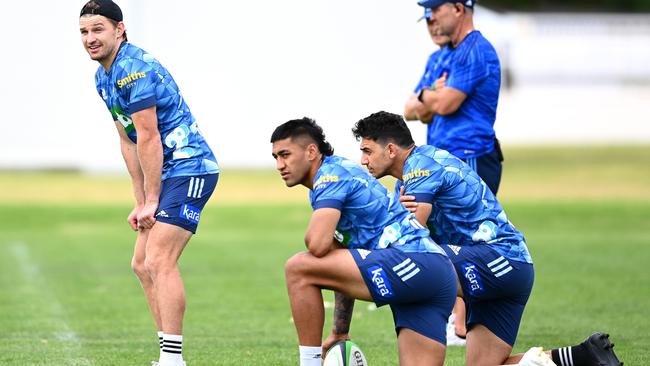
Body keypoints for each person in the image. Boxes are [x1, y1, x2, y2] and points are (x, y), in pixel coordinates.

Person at [351, 111, 623, 366]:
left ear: (390, 149)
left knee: (415, 269)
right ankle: (582, 356)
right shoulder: (408, 179)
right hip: (514, 267)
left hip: (498, 259)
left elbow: (410, 239)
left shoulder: (421, 167)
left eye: (367, 151)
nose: (363, 160)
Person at [79, 1, 220, 365]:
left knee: (159, 260)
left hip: (190, 168)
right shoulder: (103, 77)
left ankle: (172, 360)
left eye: (98, 29)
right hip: (165, 173)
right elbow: (127, 140)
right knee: (141, 264)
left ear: (119, 30)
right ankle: (167, 355)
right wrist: (141, 201)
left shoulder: (133, 69)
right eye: (84, 32)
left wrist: (153, 198)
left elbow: (149, 136)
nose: (90, 38)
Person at [271, 118, 457, 366]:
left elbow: (317, 245)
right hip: (438, 273)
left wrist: (319, 234)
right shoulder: (329, 181)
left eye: (285, 154)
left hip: (412, 261)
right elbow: (339, 262)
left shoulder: (330, 176)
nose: (279, 165)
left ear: (311, 151)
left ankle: (310, 363)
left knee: (298, 268)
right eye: (275, 157)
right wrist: (339, 330)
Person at [404, 0, 504, 196]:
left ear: (458, 9)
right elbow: (410, 111)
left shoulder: (475, 50)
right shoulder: (440, 56)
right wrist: (433, 91)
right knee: (439, 224)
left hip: (469, 155)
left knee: (471, 225)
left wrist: (425, 94)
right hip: (443, 157)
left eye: (436, 10)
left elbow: (444, 105)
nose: (431, 17)